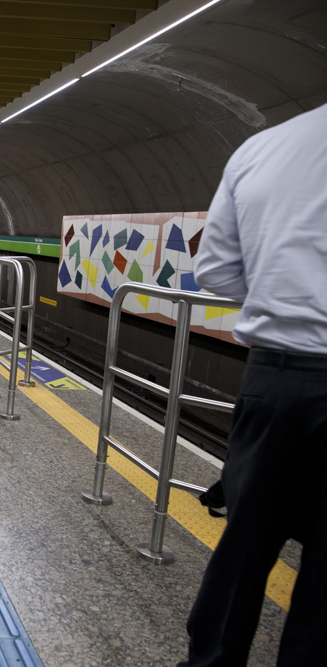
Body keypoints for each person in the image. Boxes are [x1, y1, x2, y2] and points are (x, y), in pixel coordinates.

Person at [181, 102, 327, 666]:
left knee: (243, 547)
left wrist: (282, 300)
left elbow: (215, 269)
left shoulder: (262, 148)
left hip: (275, 378)